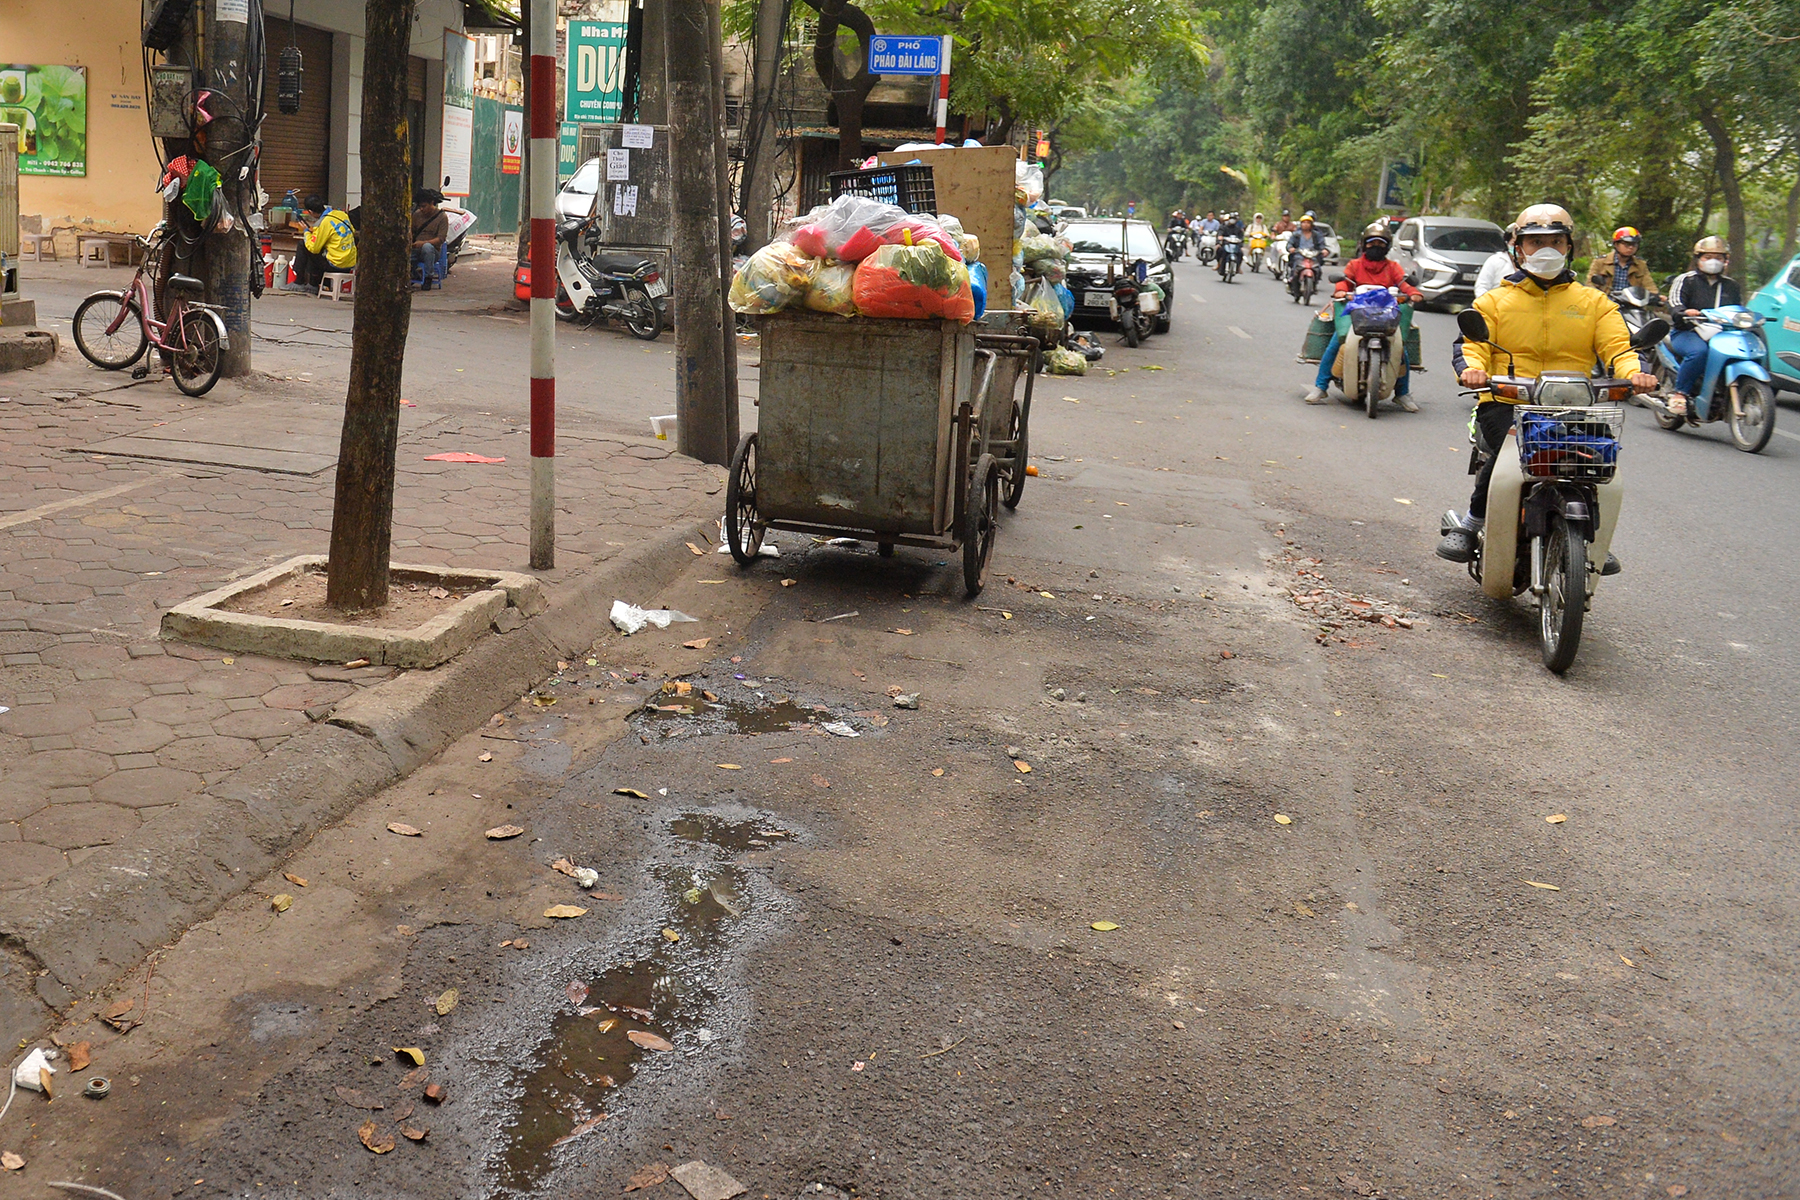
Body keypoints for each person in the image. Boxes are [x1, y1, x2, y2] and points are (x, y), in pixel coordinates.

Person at [1436, 204, 1656, 564]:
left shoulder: (1594, 303)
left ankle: (1589, 534)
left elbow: (1620, 348)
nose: (1546, 249)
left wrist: (1635, 373)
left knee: (1597, 458)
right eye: (1536, 241)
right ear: (1518, 248)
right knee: (1510, 452)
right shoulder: (1493, 301)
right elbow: (1471, 345)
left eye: (1555, 241)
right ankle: (1472, 523)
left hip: (1574, 403)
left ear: (1569, 246)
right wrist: (1473, 370)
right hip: (1506, 401)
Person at [1303, 221, 1424, 409]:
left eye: (1381, 243)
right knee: (1336, 342)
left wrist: (1413, 292)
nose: (1376, 247)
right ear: (1364, 244)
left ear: (1387, 246)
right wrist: (1341, 291)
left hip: (1386, 315)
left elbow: (1403, 283)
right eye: (1371, 243)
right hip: (1358, 314)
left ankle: (1402, 393)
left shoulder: (1393, 267)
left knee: (1401, 349)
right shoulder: (1354, 265)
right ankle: (1321, 386)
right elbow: (1343, 283)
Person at [1662, 236, 1742, 418]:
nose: (1713, 261)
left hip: (1721, 334)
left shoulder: (1732, 286)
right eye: (1707, 257)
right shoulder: (1686, 280)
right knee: (1699, 352)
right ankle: (1680, 394)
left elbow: (1738, 309)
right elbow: (1674, 303)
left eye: (1719, 257)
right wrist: (1683, 311)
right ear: (1698, 259)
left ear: (1725, 261)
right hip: (1687, 331)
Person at [291, 195, 356, 290]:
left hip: (335, 264)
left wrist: (306, 232)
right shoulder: (341, 214)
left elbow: (313, 248)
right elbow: (351, 231)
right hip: (350, 263)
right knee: (319, 249)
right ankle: (313, 284)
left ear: (310, 212)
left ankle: (299, 281)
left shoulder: (322, 223)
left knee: (304, 245)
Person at [1586, 226, 1658, 299]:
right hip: (1607, 303)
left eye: (1634, 244)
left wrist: (1656, 296)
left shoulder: (1640, 264)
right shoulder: (1600, 262)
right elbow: (1590, 284)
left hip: (1632, 304)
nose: (1631, 247)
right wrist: (1598, 297)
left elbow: (1649, 285)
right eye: (1627, 244)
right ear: (1616, 245)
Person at [410, 194, 451, 289]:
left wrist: (423, 243)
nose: (422, 209)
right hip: (417, 248)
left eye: (424, 206)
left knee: (427, 247)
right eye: (420, 206)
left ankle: (429, 277)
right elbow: (411, 231)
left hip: (433, 251)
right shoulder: (417, 215)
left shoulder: (442, 217)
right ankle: (412, 274)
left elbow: (440, 239)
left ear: (432, 203)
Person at [1473, 223, 1516, 298]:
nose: (1517, 248)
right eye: (1514, 243)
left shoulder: (1533, 263)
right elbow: (1482, 286)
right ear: (1507, 243)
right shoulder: (1495, 260)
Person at [1285, 214, 1328, 283]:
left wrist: (1324, 250)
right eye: (1304, 222)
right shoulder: (1296, 234)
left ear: (1311, 224)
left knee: (1318, 268)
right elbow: (1290, 243)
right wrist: (1291, 248)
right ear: (1301, 224)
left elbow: (1321, 244)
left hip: (1313, 256)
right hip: (1299, 255)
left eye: (1308, 223)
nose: (1306, 224)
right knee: (1295, 268)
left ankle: (1315, 281)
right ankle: (1292, 279)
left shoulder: (1317, 235)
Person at [1216, 210, 1245, 277]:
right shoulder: (1224, 227)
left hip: (1235, 245)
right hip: (1226, 244)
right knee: (1219, 250)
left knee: (1240, 253)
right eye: (1231, 218)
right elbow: (1220, 234)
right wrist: (1220, 238)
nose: (1232, 220)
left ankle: (1238, 267)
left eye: (1234, 219)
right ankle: (1218, 264)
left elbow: (1241, 237)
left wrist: (1241, 243)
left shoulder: (1238, 228)